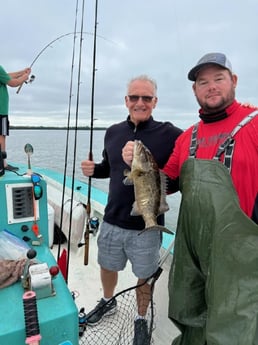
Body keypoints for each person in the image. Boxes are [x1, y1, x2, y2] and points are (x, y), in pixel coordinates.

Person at [161, 53, 258, 345]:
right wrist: (138, 166)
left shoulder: (254, 123)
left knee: (237, 326)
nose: (211, 86)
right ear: (194, 90)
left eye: (219, 78)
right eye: (203, 82)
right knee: (191, 312)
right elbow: (166, 184)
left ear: (234, 81)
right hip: (193, 252)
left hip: (243, 251)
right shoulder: (187, 137)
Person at [81, 75, 182, 344]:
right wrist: (94, 171)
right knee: (107, 265)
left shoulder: (171, 134)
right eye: (134, 97)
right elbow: (109, 167)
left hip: (146, 226)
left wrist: (146, 166)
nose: (140, 102)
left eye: (146, 98)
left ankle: (140, 317)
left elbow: (181, 176)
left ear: (155, 102)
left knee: (144, 276)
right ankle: (107, 300)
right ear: (126, 100)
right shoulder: (112, 132)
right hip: (113, 219)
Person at [0, 65, 31, 170]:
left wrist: (22, 72)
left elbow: (6, 76)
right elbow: (13, 83)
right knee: (1, 135)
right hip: (1, 110)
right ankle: (2, 164)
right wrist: (24, 78)